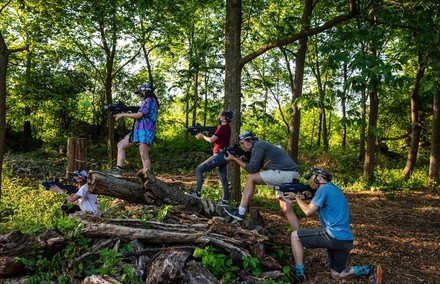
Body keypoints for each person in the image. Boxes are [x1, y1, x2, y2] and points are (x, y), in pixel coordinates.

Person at [285, 167, 382, 284]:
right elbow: (324, 201)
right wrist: (305, 197)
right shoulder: (333, 188)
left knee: (295, 236)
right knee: (337, 275)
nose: (309, 181)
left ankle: (299, 275)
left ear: (319, 177)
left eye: (311, 177)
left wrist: (295, 197)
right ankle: (369, 270)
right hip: (346, 240)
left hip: (332, 236)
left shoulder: (323, 189)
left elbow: (307, 211)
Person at [223, 131, 301, 231]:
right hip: (290, 175)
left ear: (250, 140)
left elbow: (252, 170)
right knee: (286, 210)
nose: (242, 146)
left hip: (285, 173)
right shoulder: (260, 146)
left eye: (243, 142)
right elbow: (257, 167)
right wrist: (243, 159)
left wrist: (234, 158)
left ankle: (240, 212)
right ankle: (299, 237)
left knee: (251, 178)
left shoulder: (258, 146)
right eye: (241, 143)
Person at [108, 82, 159, 177]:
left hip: (145, 130)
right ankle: (118, 171)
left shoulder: (149, 100)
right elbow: (138, 112)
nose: (140, 94)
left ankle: (148, 178)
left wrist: (122, 114)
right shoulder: (148, 100)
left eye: (140, 92)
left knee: (144, 155)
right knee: (121, 145)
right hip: (138, 129)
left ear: (145, 91)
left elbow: (139, 115)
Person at [187, 110, 233, 207]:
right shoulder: (227, 128)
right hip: (224, 155)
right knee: (223, 178)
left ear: (223, 117)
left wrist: (202, 136)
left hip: (219, 155)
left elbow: (212, 140)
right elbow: (217, 138)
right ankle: (225, 201)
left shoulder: (222, 127)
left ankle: (197, 193)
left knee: (199, 169)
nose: (218, 117)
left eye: (219, 115)